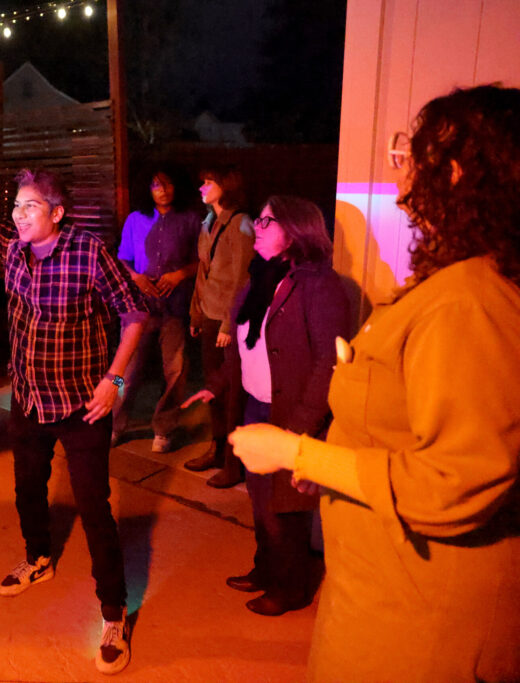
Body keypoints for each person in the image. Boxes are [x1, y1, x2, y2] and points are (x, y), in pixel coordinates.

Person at [230, 85, 520, 681]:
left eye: (412, 150)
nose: (400, 164)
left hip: (422, 624)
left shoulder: (469, 300)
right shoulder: (454, 283)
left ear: (458, 171)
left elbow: (456, 481)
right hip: (385, 589)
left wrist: (297, 450)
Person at [0, 110, 148, 676]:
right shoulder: (15, 251)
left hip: (82, 406)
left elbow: (136, 313)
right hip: (29, 401)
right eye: (17, 206)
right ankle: (38, 557)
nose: (18, 216)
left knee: (96, 510)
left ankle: (114, 613)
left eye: (30, 207)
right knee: (27, 489)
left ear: (58, 214)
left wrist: (115, 380)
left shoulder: (88, 253)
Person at [184, 196, 350, 616]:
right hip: (256, 407)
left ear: (295, 231)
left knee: (286, 507)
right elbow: (243, 347)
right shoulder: (259, 278)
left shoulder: (319, 285)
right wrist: (218, 385)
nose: (256, 226)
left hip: (290, 415)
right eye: (258, 218)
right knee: (260, 500)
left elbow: (328, 363)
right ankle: (265, 569)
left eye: (266, 221)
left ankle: (291, 587)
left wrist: (299, 427)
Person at [112, 168, 201, 451]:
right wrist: (136, 276)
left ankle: (164, 428)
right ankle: (114, 425)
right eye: (156, 185)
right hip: (139, 308)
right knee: (127, 368)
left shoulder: (190, 220)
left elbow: (202, 261)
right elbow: (122, 260)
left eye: (168, 184)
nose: (162, 190)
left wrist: (179, 275)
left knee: (175, 368)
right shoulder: (136, 220)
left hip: (174, 306)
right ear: (147, 189)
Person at [185, 165, 256, 488]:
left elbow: (243, 276)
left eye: (208, 182)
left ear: (225, 186)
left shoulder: (241, 223)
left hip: (227, 319)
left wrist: (230, 322)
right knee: (212, 388)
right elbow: (203, 272)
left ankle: (233, 460)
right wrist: (196, 313)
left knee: (228, 392)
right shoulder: (208, 222)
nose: (202, 188)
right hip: (209, 315)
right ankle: (216, 448)